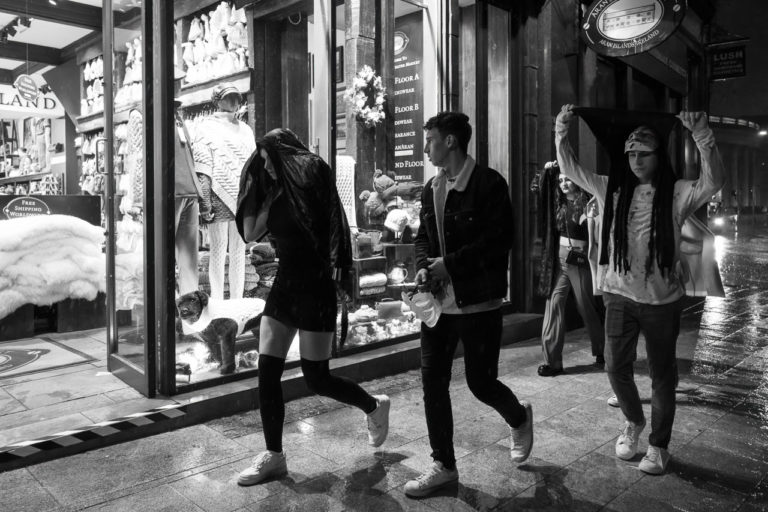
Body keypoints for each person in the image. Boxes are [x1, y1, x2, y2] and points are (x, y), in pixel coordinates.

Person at [555, 105, 724, 475]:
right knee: (616, 366)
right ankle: (633, 421)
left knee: (663, 376)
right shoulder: (610, 188)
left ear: (657, 156)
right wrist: (561, 132)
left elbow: (712, 183)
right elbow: (571, 170)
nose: (634, 161)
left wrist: (702, 136)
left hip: (662, 301)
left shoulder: (676, 192)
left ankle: (659, 446)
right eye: (630, 154)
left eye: (643, 154)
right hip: (619, 295)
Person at [235, 128, 390, 486]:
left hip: (316, 286)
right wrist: (257, 181)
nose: (268, 170)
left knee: (316, 377)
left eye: (269, 163)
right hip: (285, 287)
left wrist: (342, 273)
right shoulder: (272, 194)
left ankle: (373, 405)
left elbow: (335, 221)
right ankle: (274, 456)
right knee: (267, 371)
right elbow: (249, 230)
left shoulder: (313, 174)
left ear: (283, 157)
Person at [403, 112, 532, 499]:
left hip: (478, 304)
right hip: (438, 308)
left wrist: (451, 264)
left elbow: (499, 240)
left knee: (481, 382)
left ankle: (519, 417)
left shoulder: (489, 184)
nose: (425, 148)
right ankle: (443, 465)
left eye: (431, 140)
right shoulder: (431, 188)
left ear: (452, 142)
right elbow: (423, 237)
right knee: (432, 383)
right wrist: (425, 267)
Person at [533, 160, 605, 377]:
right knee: (553, 305)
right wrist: (547, 170)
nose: (563, 184)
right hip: (559, 262)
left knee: (586, 307)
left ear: (577, 182)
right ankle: (552, 361)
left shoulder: (589, 203)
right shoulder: (558, 203)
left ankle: (602, 351)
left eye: (568, 180)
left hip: (580, 262)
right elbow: (537, 186)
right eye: (561, 180)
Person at [192, 82, 254, 300]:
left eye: (236, 97)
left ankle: (237, 300)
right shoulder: (204, 127)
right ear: (217, 100)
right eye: (229, 97)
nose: (234, 102)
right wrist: (205, 202)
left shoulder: (246, 129)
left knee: (239, 250)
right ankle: (218, 300)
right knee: (218, 249)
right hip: (218, 196)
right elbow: (203, 168)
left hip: (242, 195)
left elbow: (252, 166)